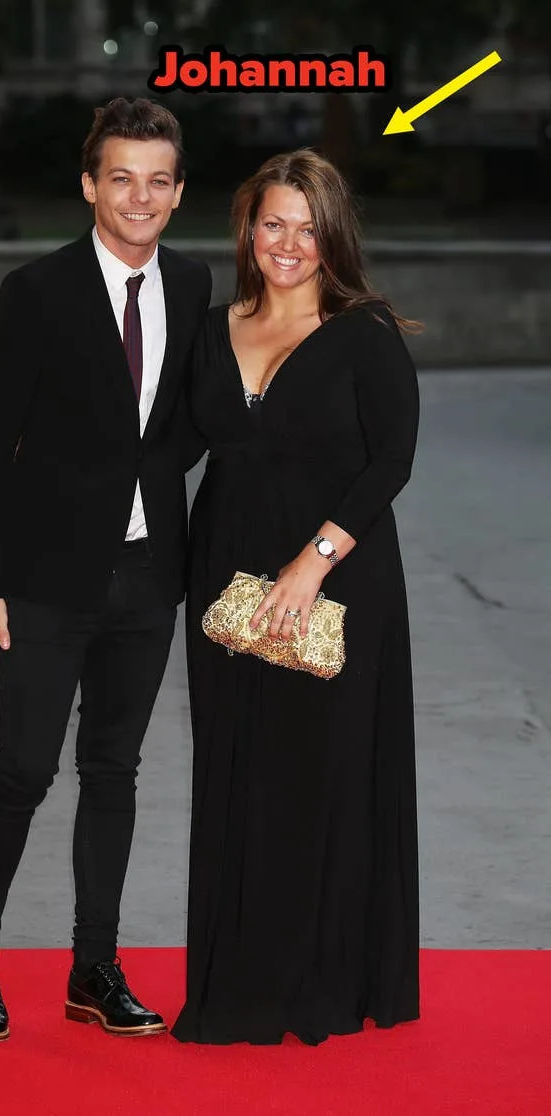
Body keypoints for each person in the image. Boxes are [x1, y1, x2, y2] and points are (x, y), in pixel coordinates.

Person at [0, 97, 212, 1042]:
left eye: (157, 180)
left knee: (114, 771)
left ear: (177, 194)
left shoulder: (189, 285)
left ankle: (92, 969)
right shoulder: (37, 291)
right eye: (121, 177)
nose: (138, 196)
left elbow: (179, 421)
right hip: (41, 581)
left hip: (148, 578)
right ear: (90, 185)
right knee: (22, 769)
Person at [172, 149, 420, 1046]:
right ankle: (238, 985)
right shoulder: (209, 329)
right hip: (225, 584)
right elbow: (163, 447)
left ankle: (321, 984)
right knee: (236, 770)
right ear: (248, 227)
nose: (287, 242)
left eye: (306, 228)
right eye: (272, 222)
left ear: (332, 237)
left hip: (337, 578)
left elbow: (390, 459)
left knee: (320, 773)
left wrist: (312, 562)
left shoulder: (366, 332)